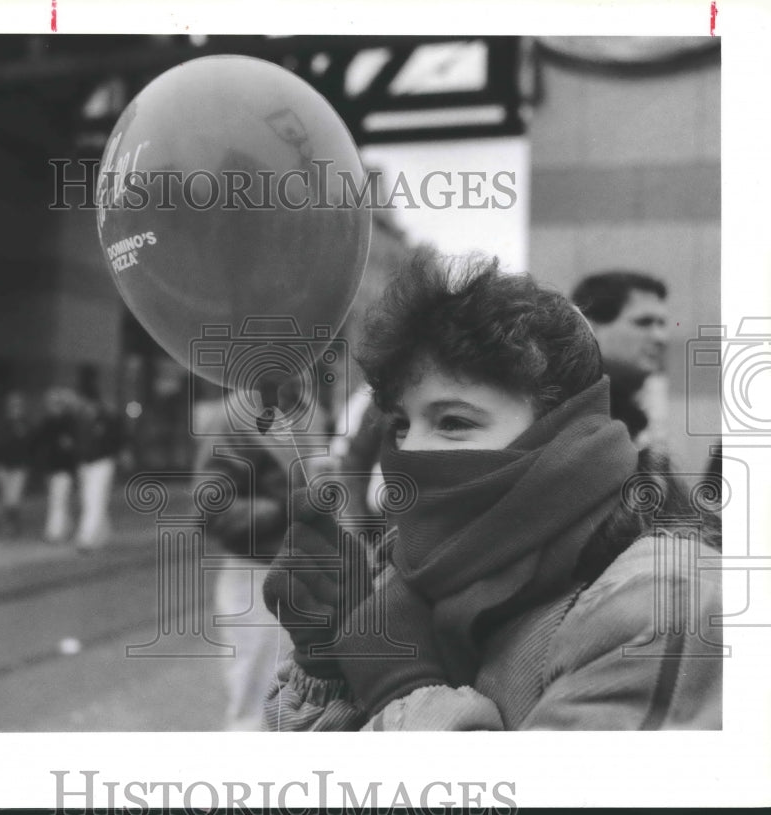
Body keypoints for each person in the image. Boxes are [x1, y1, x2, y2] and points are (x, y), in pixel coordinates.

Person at [262, 249, 721, 731]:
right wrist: (328, 665)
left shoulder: (664, 602)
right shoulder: (420, 570)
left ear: (560, 430)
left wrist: (401, 683)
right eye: (399, 423)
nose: (410, 448)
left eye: (454, 421)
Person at [194, 379, 328, 730]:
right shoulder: (236, 415)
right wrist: (283, 507)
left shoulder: (309, 409)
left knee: (301, 707)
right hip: (255, 579)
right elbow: (209, 508)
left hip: (309, 575)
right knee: (254, 711)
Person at [571, 270, 669, 447]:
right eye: (644, 322)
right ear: (590, 326)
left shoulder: (632, 416)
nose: (660, 337)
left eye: (661, 324)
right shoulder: (570, 417)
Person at [74, 388, 123, 552]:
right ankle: (103, 533)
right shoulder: (80, 420)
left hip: (102, 462)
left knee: (94, 500)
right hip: (86, 464)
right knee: (91, 499)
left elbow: (117, 440)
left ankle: (86, 538)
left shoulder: (107, 420)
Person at [37, 387, 81, 543]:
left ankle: (55, 532)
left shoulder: (68, 423)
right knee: (59, 499)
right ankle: (65, 528)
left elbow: (71, 446)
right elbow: (40, 444)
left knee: (58, 499)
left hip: (63, 467)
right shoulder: (48, 423)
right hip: (52, 467)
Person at [0, 391, 35, 537]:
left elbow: (30, 446)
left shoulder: (26, 424)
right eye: (12, 405)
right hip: (2, 466)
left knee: (13, 499)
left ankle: (13, 525)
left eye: (18, 405)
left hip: (19, 467)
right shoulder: (2, 424)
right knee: (5, 498)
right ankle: (8, 527)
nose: (15, 408)